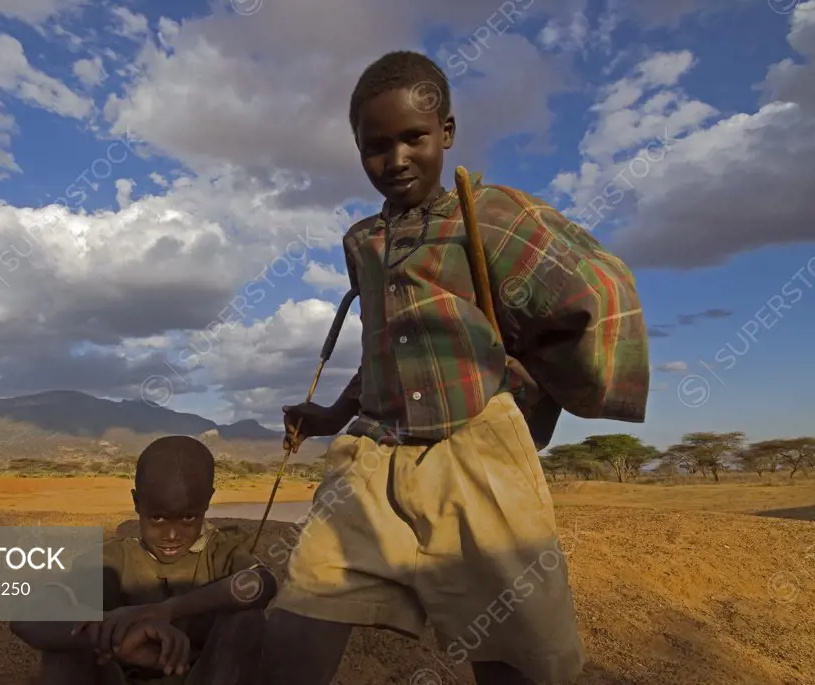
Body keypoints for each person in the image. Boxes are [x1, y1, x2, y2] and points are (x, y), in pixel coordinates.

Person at [260, 51, 650, 685]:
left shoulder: (489, 216)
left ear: (446, 132)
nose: (396, 159)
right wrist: (335, 413)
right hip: (375, 458)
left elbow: (597, 290)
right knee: (298, 618)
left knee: (515, 656)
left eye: (413, 137)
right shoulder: (364, 242)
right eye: (375, 146)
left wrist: (527, 387)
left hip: (476, 457)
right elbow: (385, 342)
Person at [10, 435, 276, 685]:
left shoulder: (220, 553)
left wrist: (167, 609)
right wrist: (112, 634)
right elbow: (26, 616)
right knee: (65, 641)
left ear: (208, 501)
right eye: (157, 518)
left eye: (188, 518)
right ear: (137, 502)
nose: (172, 535)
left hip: (204, 677)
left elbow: (263, 582)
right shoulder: (114, 560)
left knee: (248, 620)